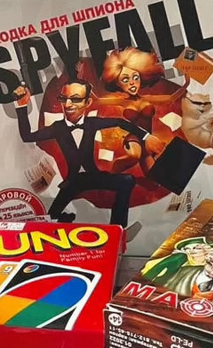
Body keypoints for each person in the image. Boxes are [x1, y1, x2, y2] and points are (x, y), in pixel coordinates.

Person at [13, 79, 164, 236]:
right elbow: (27, 136)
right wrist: (22, 106)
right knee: (52, 216)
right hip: (73, 181)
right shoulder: (58, 128)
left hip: (93, 175)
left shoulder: (92, 123)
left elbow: (120, 122)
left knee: (127, 180)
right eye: (64, 99)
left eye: (75, 99)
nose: (68, 104)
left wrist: (146, 136)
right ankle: (51, 228)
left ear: (88, 102)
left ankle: (118, 229)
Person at [141, 236, 213, 282]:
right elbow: (153, 275)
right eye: (187, 249)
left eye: (196, 248)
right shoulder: (180, 257)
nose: (191, 251)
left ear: (206, 251)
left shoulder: (209, 269)